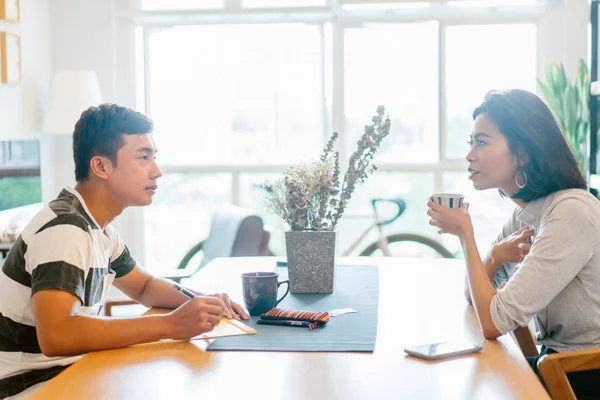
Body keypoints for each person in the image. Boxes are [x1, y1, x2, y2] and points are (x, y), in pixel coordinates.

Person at [0, 104, 248, 399]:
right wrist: (170, 324)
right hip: (30, 387)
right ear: (101, 166)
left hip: (72, 369)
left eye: (154, 157)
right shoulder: (65, 229)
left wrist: (200, 300)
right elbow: (57, 335)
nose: (157, 171)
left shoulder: (98, 227)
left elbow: (143, 286)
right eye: (143, 157)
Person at [427, 89, 600, 399]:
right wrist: (492, 255)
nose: (470, 155)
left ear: (523, 153)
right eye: (471, 143)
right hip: (556, 365)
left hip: (584, 373)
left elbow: (493, 322)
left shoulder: (571, 211)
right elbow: (474, 296)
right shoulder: (527, 213)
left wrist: (466, 235)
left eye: (482, 142)